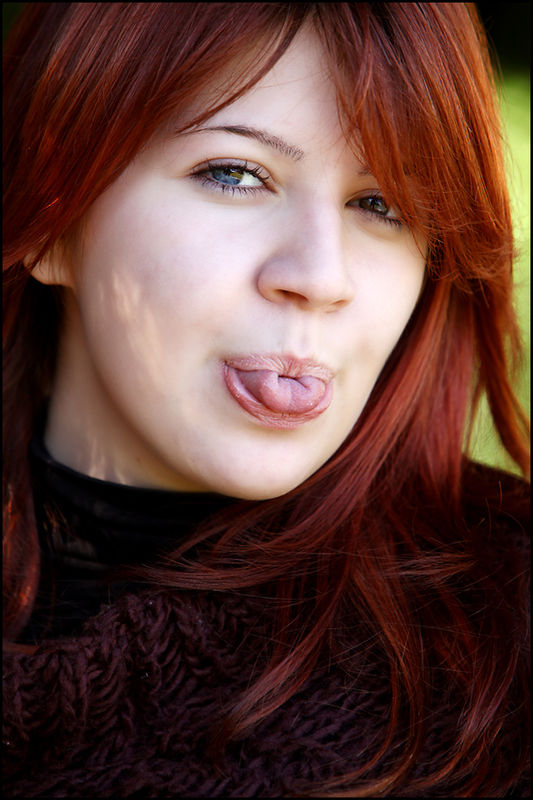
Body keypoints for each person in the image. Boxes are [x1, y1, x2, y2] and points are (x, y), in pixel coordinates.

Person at [3, 3, 529, 797]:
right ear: (51, 212)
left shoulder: (501, 641)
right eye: (235, 174)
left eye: (381, 205)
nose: (319, 276)